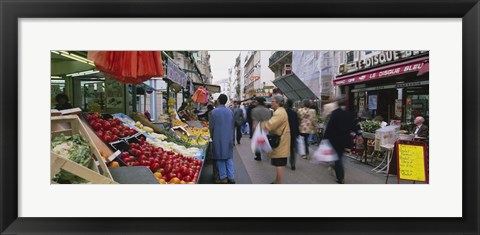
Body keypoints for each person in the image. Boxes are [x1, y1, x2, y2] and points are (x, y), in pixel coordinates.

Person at [323, 97, 362, 184]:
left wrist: (325, 138)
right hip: (345, 140)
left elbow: (329, 127)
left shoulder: (335, 114)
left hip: (335, 140)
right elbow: (355, 126)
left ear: (337, 104)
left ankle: (340, 177)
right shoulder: (349, 114)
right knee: (339, 156)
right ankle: (338, 173)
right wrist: (359, 135)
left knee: (338, 158)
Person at [261, 95, 290, 184]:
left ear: (277, 103)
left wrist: (262, 124)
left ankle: (279, 182)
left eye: (273, 101)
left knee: (279, 163)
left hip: (281, 141)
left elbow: (270, 124)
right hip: (281, 139)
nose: (271, 103)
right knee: (278, 162)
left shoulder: (279, 112)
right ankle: (277, 181)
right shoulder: (280, 111)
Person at [209, 94, 235, 184]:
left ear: (219, 100)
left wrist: (212, 136)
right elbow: (232, 126)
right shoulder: (230, 112)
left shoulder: (213, 112)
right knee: (228, 157)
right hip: (229, 137)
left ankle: (223, 177)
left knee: (219, 158)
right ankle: (231, 177)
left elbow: (211, 127)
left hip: (218, 137)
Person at [251, 97, 273, 161]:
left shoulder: (254, 110)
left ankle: (258, 156)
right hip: (266, 127)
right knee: (266, 140)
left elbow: (255, 121)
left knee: (257, 141)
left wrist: (253, 129)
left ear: (258, 102)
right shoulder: (268, 110)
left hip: (258, 127)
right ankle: (267, 153)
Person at [285, 99, 300, 170]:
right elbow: (297, 123)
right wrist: (297, 133)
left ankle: (284, 161)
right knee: (292, 149)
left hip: (285, 133)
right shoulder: (294, 113)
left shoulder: (284, 112)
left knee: (284, 147)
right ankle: (293, 164)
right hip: (293, 133)